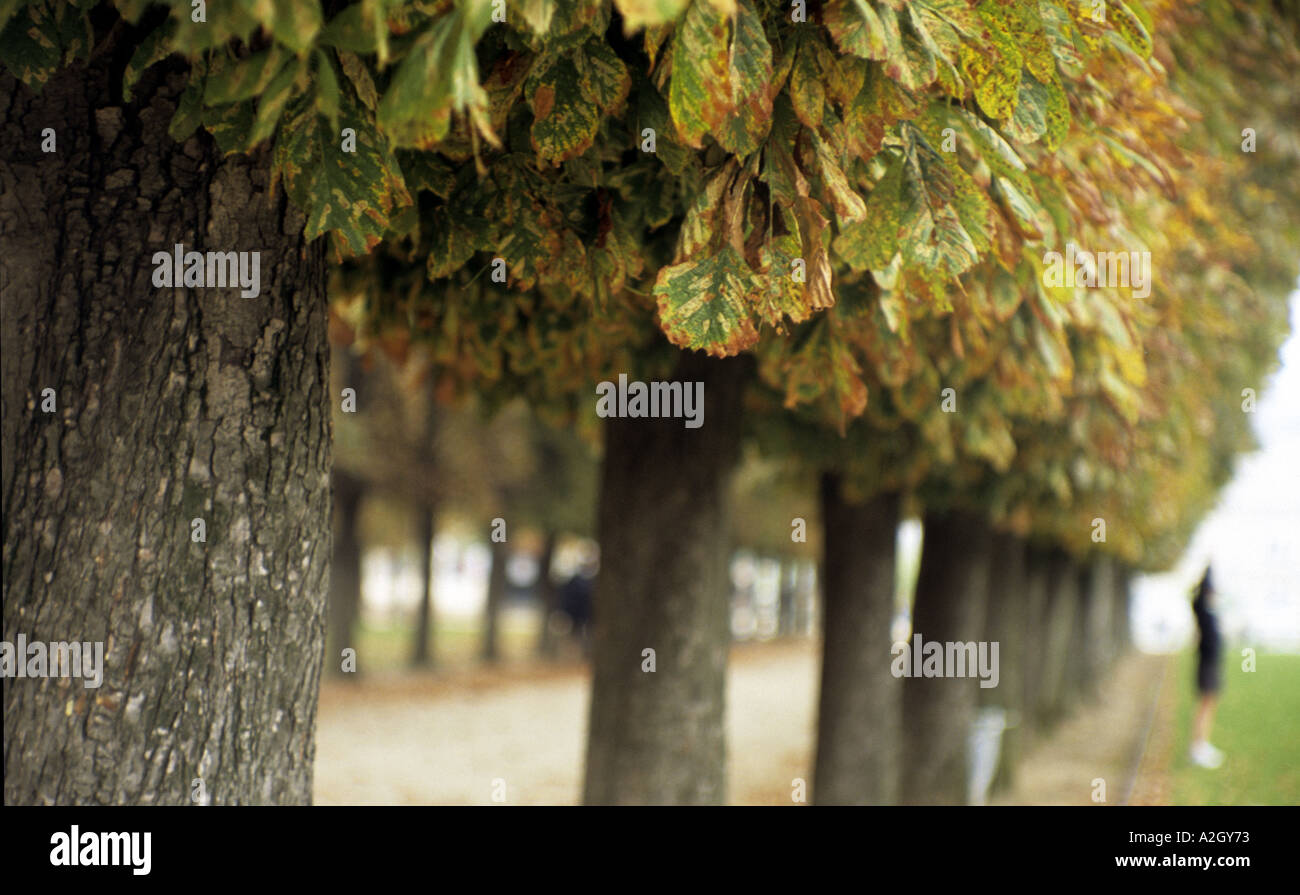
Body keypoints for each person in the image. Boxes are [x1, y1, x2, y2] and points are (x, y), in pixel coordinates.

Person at [1189, 567, 1225, 769]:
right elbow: (1195, 599)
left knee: (1208, 706)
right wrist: (1206, 572)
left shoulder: (1206, 611)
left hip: (1209, 664)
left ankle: (1201, 745)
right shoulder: (1203, 610)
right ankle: (1198, 747)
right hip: (1206, 665)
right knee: (1205, 706)